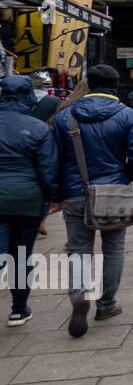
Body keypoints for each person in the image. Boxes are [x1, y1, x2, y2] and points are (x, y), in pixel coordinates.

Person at [52, 65, 133, 337]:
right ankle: (107, 304)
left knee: (78, 249)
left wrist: (55, 193)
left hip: (75, 192)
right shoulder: (127, 115)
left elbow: (53, 159)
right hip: (112, 192)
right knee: (114, 247)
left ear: (89, 85)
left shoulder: (65, 117)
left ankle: (79, 296)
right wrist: (126, 177)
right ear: (115, 86)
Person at [0, 75, 61, 327]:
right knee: (21, 255)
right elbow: (48, 168)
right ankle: (18, 309)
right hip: (28, 199)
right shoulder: (38, 128)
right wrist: (55, 197)